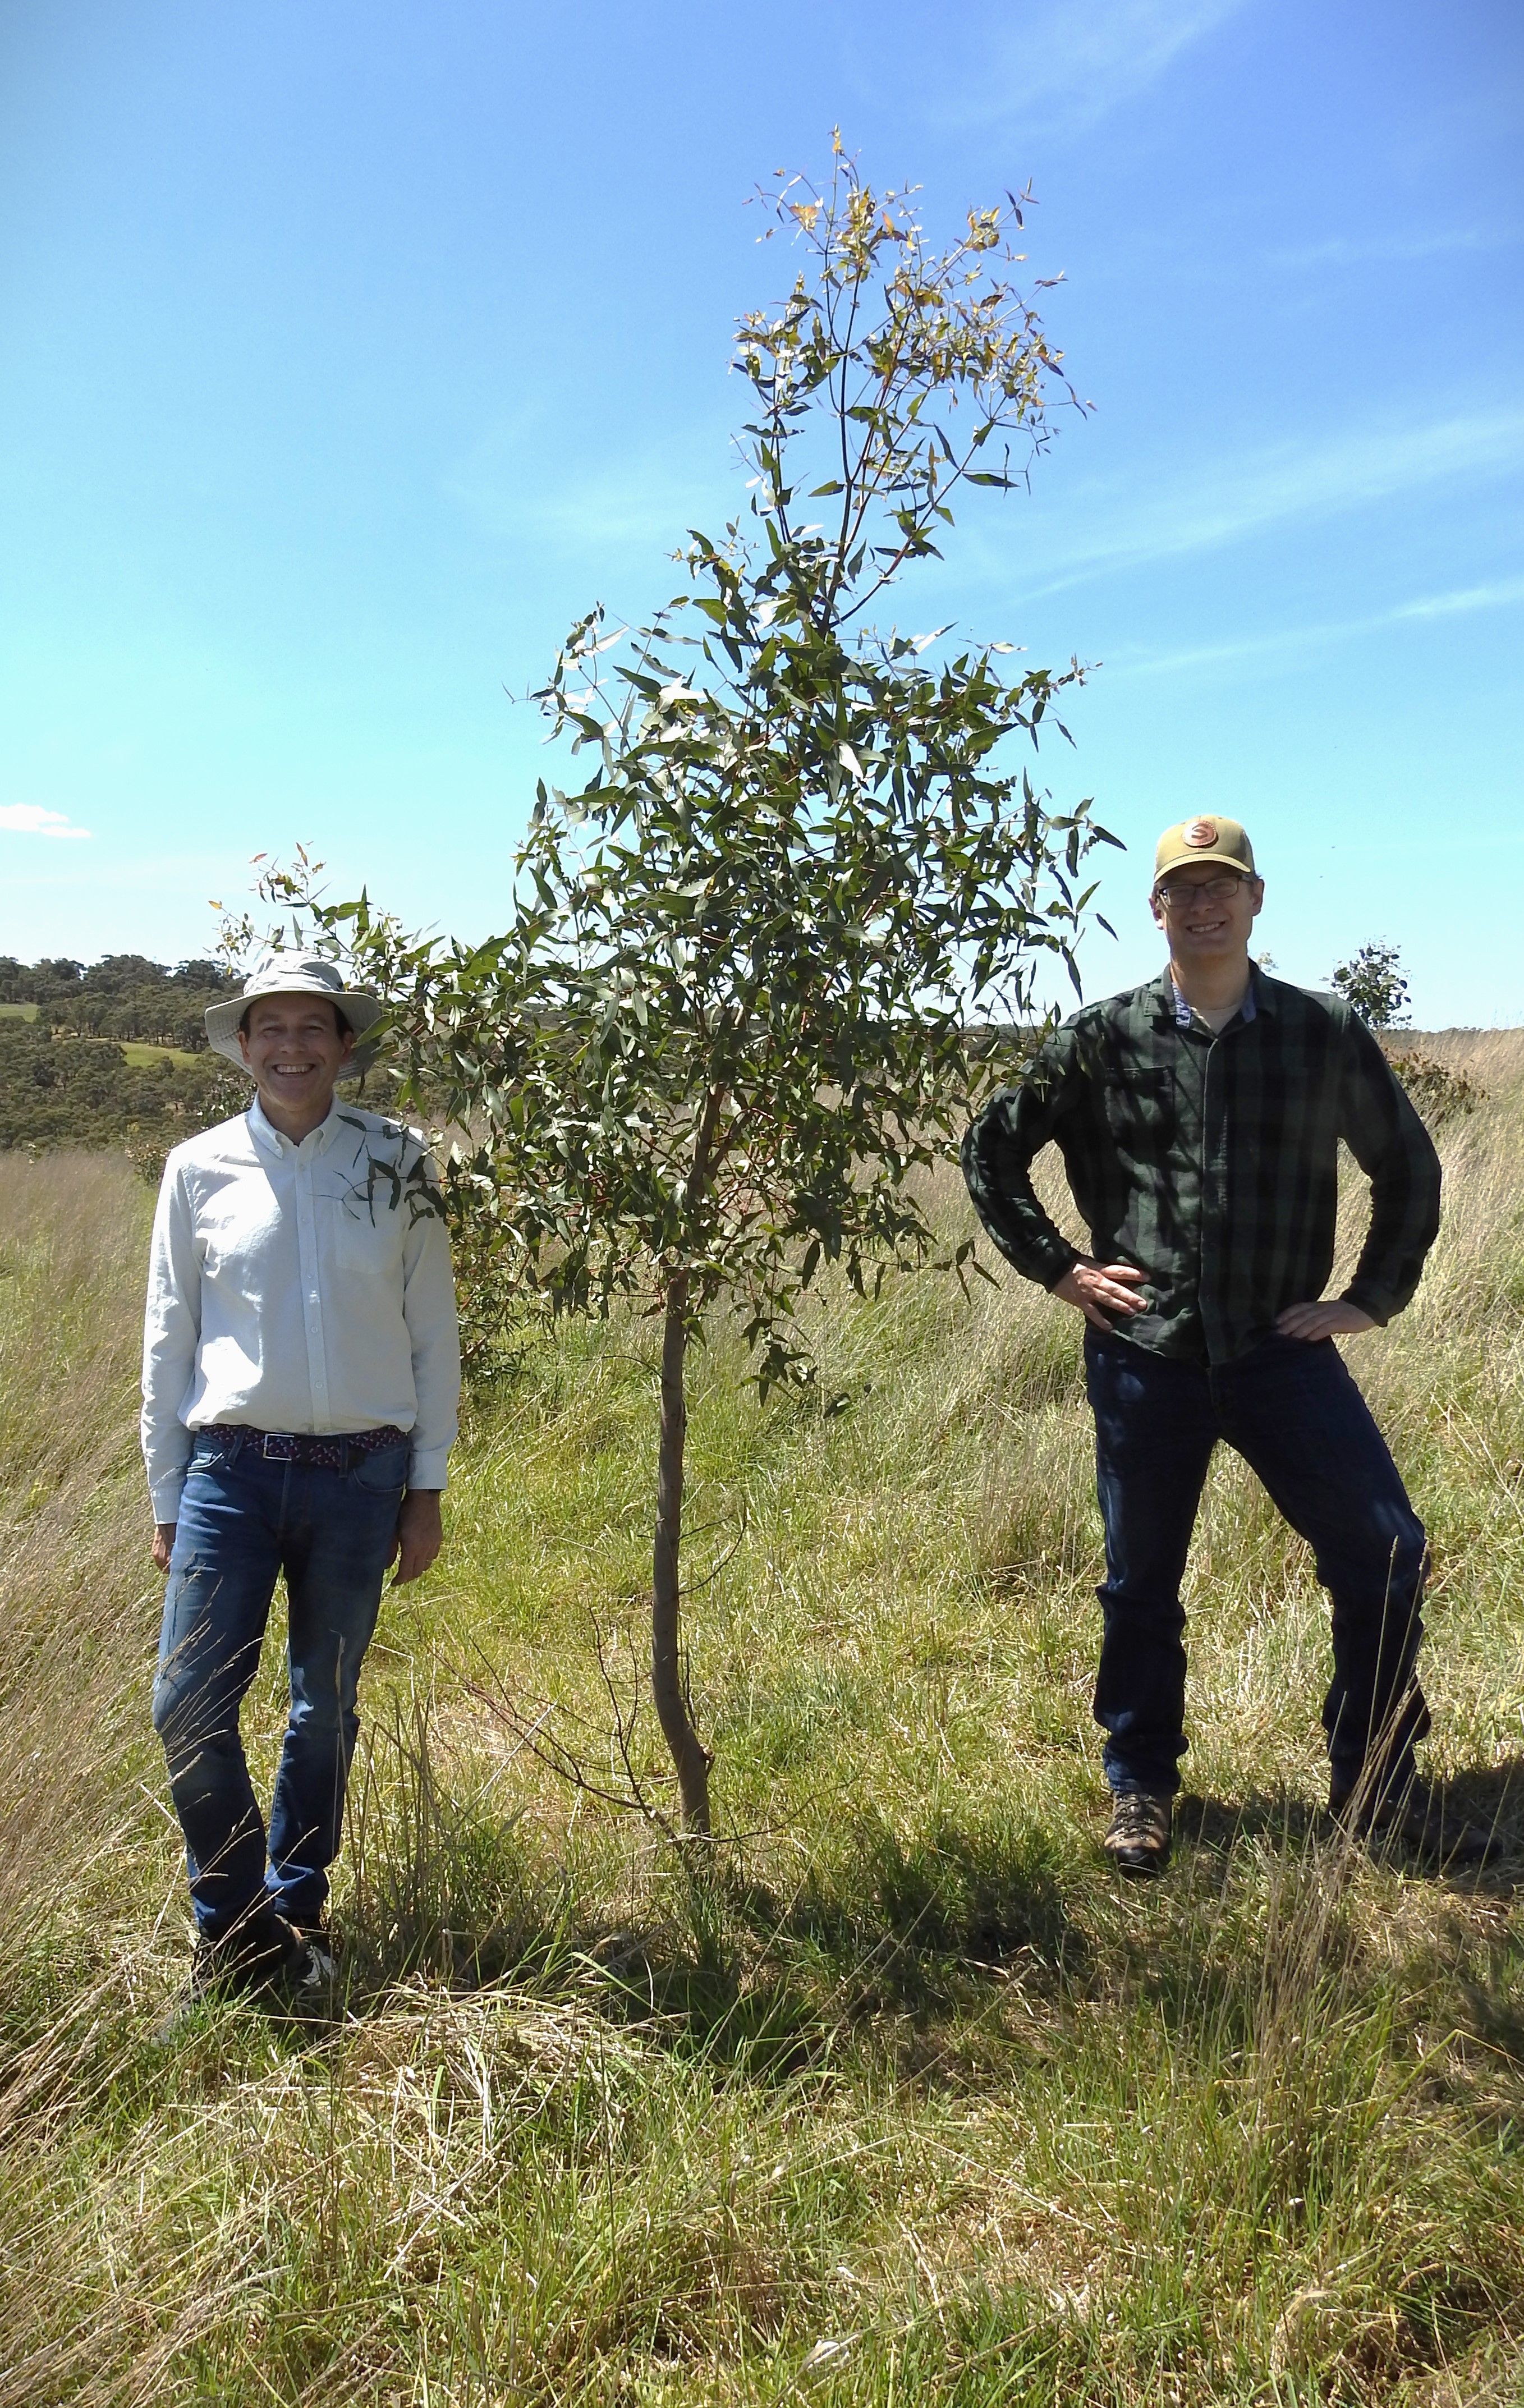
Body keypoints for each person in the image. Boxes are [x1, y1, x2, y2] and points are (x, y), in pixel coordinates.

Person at [962, 814, 1484, 1874]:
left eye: (1222, 886)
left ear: (1256, 899)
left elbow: (1409, 1170)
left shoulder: (1319, 1030)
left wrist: (1369, 1299)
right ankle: (1142, 1787)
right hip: (1145, 1353)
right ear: (1156, 909)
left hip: (1280, 1354)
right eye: (1182, 890)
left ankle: (1375, 1784)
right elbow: (993, 1148)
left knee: (1388, 1553)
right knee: (1139, 1579)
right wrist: (1060, 1268)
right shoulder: (1103, 1039)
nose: (1203, 906)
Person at [143, 949, 460, 1998]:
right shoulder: (196, 1170)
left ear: (344, 1045)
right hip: (227, 1475)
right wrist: (166, 1494)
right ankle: (236, 1930)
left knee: (323, 1705)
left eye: (310, 1028)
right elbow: (169, 1339)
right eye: (269, 1029)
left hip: (361, 1480)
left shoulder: (398, 1161)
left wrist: (426, 1487)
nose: (291, 1047)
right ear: (242, 1046)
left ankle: (298, 1904)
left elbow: (431, 1334)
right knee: (187, 1706)